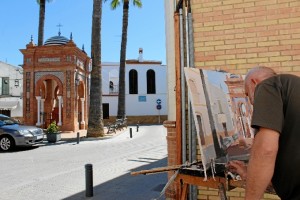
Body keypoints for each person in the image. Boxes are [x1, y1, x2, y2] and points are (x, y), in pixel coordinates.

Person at [228, 66, 300, 200]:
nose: (250, 101)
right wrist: (248, 174)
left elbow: (265, 150)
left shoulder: (268, 86)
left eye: (247, 94)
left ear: (254, 83)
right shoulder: (291, 89)